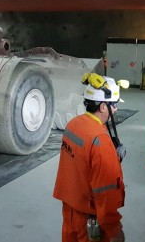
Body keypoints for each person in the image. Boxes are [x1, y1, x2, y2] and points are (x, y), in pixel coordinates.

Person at [53, 73, 127, 242]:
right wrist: (114, 229)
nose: (115, 110)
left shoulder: (73, 124)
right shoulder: (100, 140)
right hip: (90, 221)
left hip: (69, 210)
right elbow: (105, 191)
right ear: (102, 107)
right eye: (113, 105)